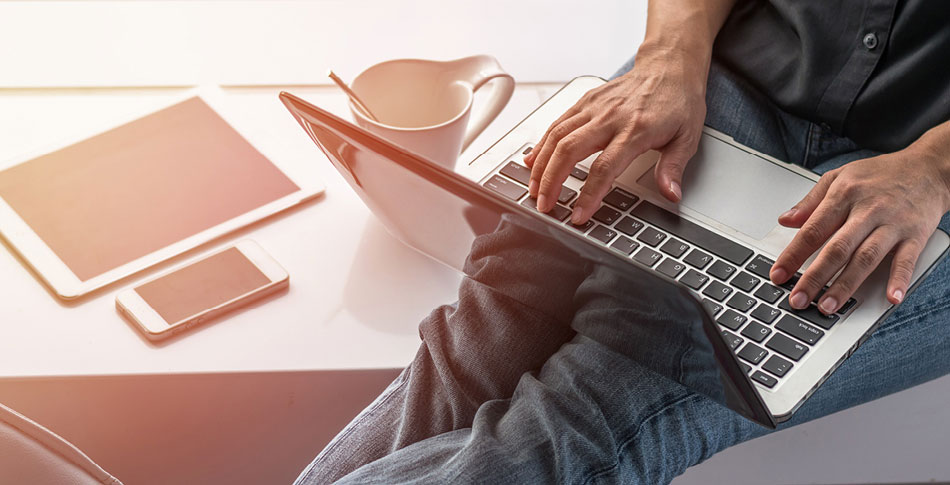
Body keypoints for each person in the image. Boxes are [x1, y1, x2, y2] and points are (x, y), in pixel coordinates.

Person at [296, 0, 950, 482]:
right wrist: (669, 54)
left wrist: (934, 166)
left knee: (604, 414)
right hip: (723, 78)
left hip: (925, 181)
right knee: (493, 325)